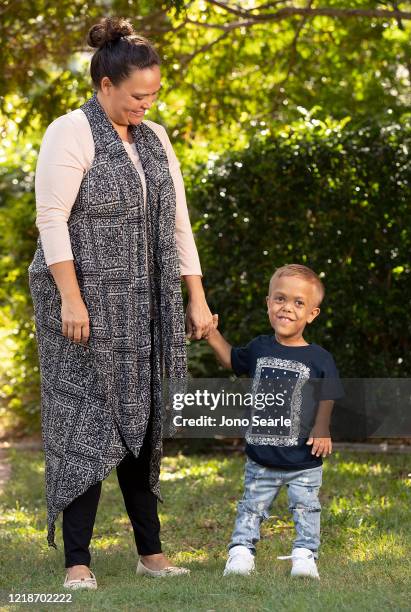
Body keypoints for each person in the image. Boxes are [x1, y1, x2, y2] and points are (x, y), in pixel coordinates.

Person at [28, 16, 214, 589]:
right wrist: (71, 299)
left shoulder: (155, 139)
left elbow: (177, 222)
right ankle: (77, 562)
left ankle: (151, 552)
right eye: (138, 95)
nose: (146, 104)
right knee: (85, 420)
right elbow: (51, 219)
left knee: (145, 420)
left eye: (153, 95)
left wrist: (196, 297)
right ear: (105, 85)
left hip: (144, 307)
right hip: (81, 308)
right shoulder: (71, 131)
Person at [204, 264, 343, 579]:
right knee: (251, 507)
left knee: (306, 509)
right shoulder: (259, 348)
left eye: (298, 303)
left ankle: (305, 555)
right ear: (268, 302)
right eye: (280, 299)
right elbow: (230, 358)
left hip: (304, 460)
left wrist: (322, 428)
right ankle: (241, 553)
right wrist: (212, 333)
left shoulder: (319, 358)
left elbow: (328, 395)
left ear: (312, 314)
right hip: (261, 458)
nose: (287, 308)